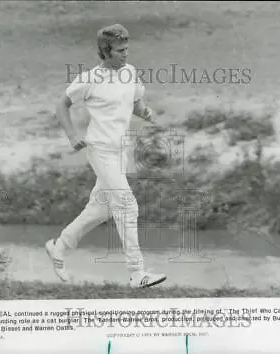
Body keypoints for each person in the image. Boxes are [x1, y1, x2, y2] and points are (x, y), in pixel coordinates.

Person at [45, 24, 167, 288]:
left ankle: (59, 247)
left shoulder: (130, 72)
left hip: (121, 150)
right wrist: (72, 135)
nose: (126, 54)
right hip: (99, 150)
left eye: (127, 49)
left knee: (100, 209)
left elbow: (134, 102)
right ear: (105, 52)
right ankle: (137, 273)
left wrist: (145, 112)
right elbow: (61, 105)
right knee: (127, 205)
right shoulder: (90, 79)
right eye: (120, 51)